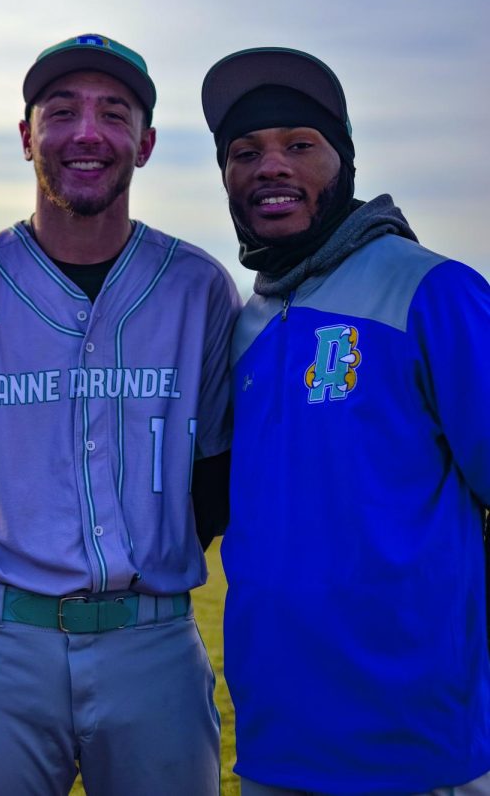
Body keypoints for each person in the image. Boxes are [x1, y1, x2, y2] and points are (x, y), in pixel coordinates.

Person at [0, 32, 241, 796]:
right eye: (61, 111)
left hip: (154, 642)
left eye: (113, 113)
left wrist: (153, 567)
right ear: (27, 137)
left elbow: (216, 464)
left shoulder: (197, 287)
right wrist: (1, 594)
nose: (87, 133)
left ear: (144, 144)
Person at [201, 46, 490, 796]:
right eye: (245, 152)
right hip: (275, 744)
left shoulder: (433, 290)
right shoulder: (246, 326)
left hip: (417, 747)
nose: (270, 166)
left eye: (300, 145)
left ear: (345, 163)